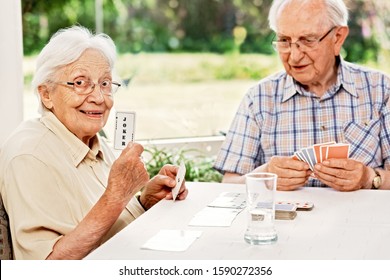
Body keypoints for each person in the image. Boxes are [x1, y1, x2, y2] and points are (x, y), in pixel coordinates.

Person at [0, 25, 188, 260]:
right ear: (46, 94)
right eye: (80, 83)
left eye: (105, 84)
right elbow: (46, 267)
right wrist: (118, 194)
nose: (98, 98)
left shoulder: (93, 141)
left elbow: (107, 225)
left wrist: (142, 202)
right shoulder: (30, 155)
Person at [214, 0, 390, 191]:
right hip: (287, 221)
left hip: (362, 219)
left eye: (307, 40)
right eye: (284, 41)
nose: (294, 56)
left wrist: (370, 178)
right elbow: (229, 185)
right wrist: (265, 176)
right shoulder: (258, 99)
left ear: (338, 37)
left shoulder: (381, 89)